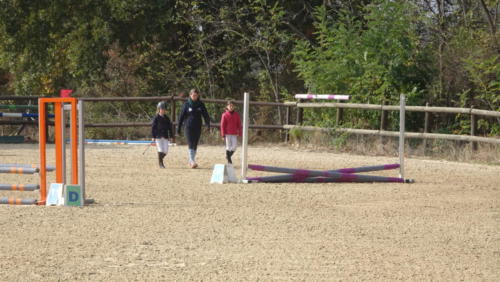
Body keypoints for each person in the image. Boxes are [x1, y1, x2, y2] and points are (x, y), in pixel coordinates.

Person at [177, 88, 210, 168]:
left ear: (198, 95)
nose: (194, 96)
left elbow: (206, 115)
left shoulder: (201, 104)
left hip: (198, 126)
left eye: (196, 95)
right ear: (190, 95)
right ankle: (192, 161)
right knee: (191, 143)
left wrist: (207, 125)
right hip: (188, 127)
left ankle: (191, 160)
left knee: (195, 144)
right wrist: (178, 128)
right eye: (193, 95)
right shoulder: (186, 104)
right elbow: (181, 117)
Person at [151, 101, 173, 168]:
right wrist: (153, 136)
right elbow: (153, 128)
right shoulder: (156, 118)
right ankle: (161, 163)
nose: (163, 110)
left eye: (164, 109)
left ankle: (160, 158)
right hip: (158, 136)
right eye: (162, 109)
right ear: (159, 109)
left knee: (165, 151)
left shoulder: (167, 118)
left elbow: (170, 127)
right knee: (160, 149)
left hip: (165, 136)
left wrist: (171, 136)